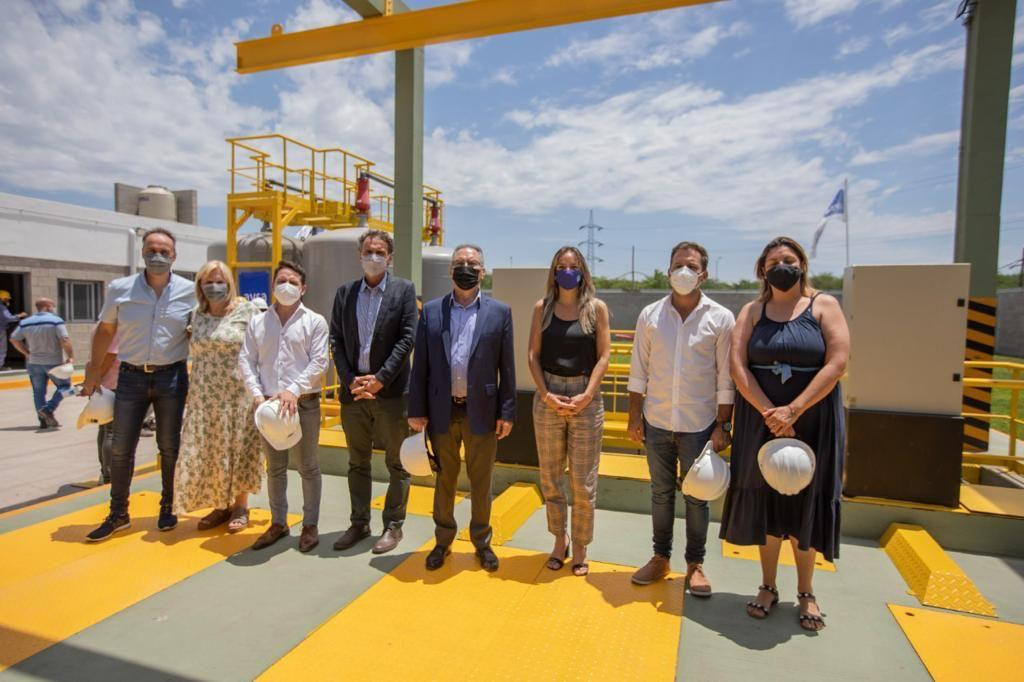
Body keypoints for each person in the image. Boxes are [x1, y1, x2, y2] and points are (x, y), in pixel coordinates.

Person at [719, 236, 848, 631]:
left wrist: (794, 408)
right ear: (762, 269)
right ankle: (768, 585)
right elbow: (737, 364)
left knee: (806, 500)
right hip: (761, 419)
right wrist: (767, 411)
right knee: (768, 500)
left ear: (802, 265)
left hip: (813, 418)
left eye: (789, 260)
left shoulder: (824, 305)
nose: (782, 267)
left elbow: (838, 360)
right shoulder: (753, 310)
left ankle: (807, 591)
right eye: (774, 261)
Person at [627, 241, 735, 597]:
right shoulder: (650, 315)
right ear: (668, 269)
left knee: (696, 498)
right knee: (659, 494)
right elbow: (638, 371)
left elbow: (725, 377)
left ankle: (695, 565)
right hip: (656, 420)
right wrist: (634, 418)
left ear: (704, 273)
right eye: (677, 265)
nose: (683, 271)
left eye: (690, 265)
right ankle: (660, 558)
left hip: (699, 424)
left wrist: (722, 424)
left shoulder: (720, 318)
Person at [82, 228, 196, 541]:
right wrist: (93, 373)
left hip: (171, 376)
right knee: (121, 447)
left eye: (164, 251)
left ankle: (168, 506)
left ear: (174, 256)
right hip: (130, 377)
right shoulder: (120, 288)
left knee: (170, 446)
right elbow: (105, 331)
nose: (157, 256)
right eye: (152, 250)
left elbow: (199, 330)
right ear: (143, 252)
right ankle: (118, 513)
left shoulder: (189, 290)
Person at [408, 244, 515, 572]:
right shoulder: (433, 311)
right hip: (442, 409)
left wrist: (506, 411)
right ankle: (443, 541)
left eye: (472, 263)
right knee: (445, 479)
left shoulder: (500, 312)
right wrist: (416, 408)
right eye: (459, 263)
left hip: (481, 410)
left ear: (482, 271)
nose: (465, 268)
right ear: (450, 270)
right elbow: (421, 365)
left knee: (481, 480)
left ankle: (482, 542)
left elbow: (506, 368)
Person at [329, 230, 418, 554]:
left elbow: (407, 338)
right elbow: (336, 339)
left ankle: (393, 526)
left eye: (380, 252)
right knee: (357, 462)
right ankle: (359, 523)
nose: (374, 256)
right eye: (368, 251)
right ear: (360, 254)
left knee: (397, 463)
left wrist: (380, 378)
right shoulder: (345, 293)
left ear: (390, 257)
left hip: (391, 393)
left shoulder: (403, 291)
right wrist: (350, 378)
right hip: (354, 393)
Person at [527, 246, 610, 577]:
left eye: (573, 266)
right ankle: (558, 540)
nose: (567, 272)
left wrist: (588, 394)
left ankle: (580, 545)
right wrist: (546, 394)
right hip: (549, 396)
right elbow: (533, 355)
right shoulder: (542, 308)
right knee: (550, 478)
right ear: (553, 272)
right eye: (561, 266)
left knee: (583, 481)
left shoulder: (595, 309)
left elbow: (603, 355)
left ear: (582, 271)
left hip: (585, 398)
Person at [240, 260, 329, 552]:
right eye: (281, 280)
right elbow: (247, 360)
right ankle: (278, 522)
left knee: (308, 466)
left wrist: (292, 390)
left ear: (303, 289)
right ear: (273, 286)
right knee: (275, 467)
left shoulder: (314, 321)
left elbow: (319, 361)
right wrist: (256, 394)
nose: (286, 286)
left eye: (293, 281)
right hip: (267, 405)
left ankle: (310, 524)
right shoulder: (258, 322)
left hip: (303, 404)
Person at [173, 261, 263, 533]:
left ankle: (240, 506)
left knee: (240, 448)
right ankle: (220, 505)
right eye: (208, 281)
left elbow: (263, 349)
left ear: (230, 283)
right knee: (212, 449)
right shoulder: (196, 315)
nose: (214, 286)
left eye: (220, 281)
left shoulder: (248, 311)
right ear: (200, 285)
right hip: (204, 396)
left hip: (238, 395)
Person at [10, 298, 74, 428]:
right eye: (53, 305)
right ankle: (48, 409)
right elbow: (65, 339)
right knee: (66, 386)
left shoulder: (25, 322)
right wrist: (70, 356)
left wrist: (27, 353)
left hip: (33, 362)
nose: (54, 308)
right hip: (53, 362)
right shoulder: (56, 321)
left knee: (38, 392)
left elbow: (14, 339)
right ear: (48, 306)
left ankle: (43, 421)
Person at [89, 326, 120, 484]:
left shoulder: (99, 325)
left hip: (102, 385)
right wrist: (95, 378)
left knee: (104, 429)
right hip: (113, 383)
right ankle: (110, 474)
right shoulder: (113, 328)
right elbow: (110, 356)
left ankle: (104, 471)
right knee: (111, 432)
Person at [0, 290, 27, 370]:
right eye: (6, 299)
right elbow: (8, 318)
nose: (8, 300)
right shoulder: (2, 307)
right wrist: (20, 315)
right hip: (0, 330)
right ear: (2, 298)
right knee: (2, 349)